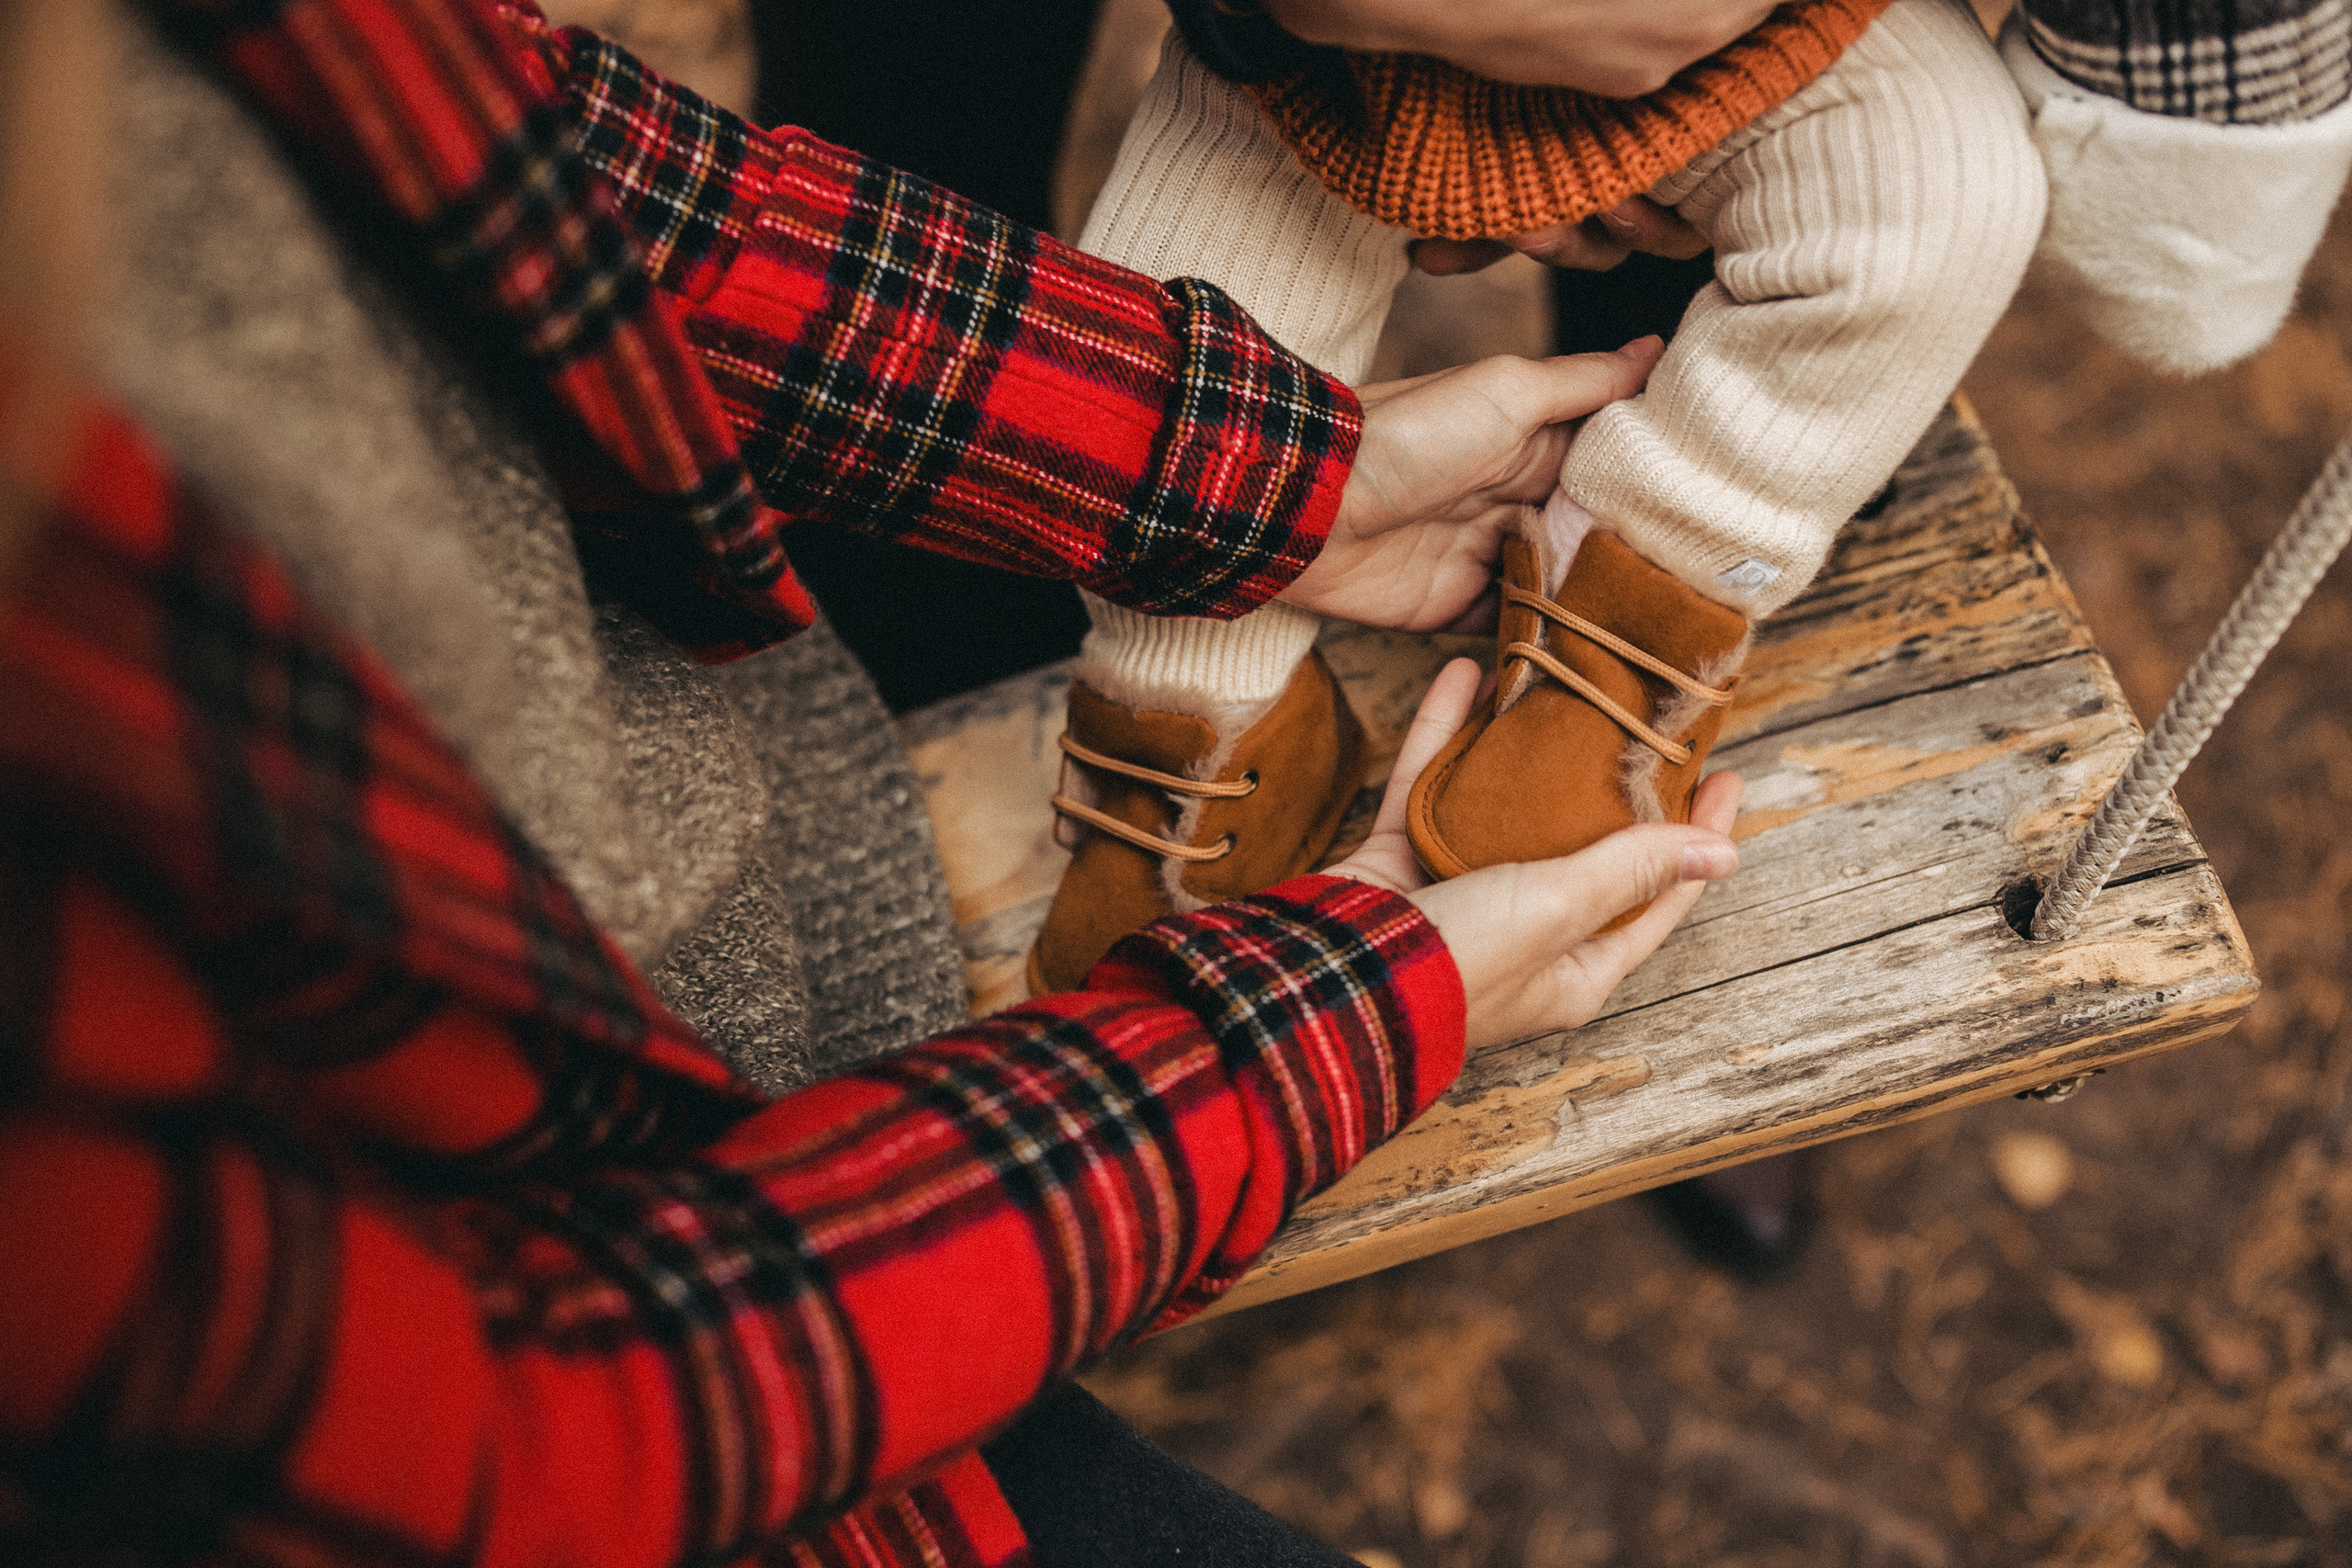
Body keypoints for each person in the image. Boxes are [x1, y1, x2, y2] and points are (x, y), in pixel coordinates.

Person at [0, 2, 1747, 1565]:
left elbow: (533, 173)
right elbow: (526, 1449)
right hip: (670, 1416)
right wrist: (1340, 1014)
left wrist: (1252, 465)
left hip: (746, 873)